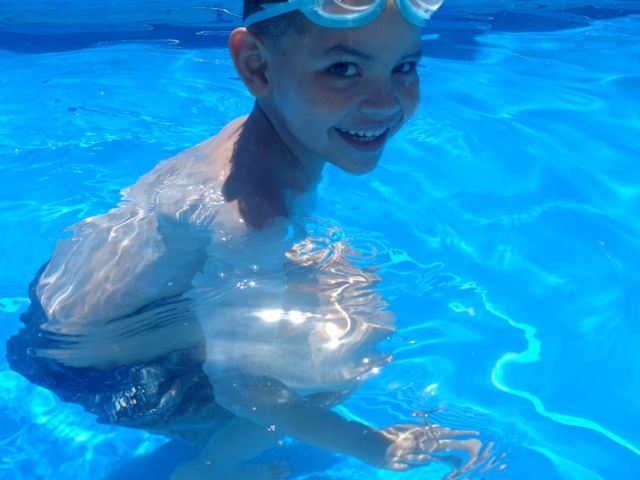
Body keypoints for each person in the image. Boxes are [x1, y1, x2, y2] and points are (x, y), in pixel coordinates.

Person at [7, 0, 501, 479]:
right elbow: (245, 393)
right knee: (353, 342)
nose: (385, 102)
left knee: (338, 278)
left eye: (404, 67)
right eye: (343, 68)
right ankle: (205, 470)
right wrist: (375, 447)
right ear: (256, 66)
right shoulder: (254, 217)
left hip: (60, 307)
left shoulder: (247, 141)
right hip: (105, 374)